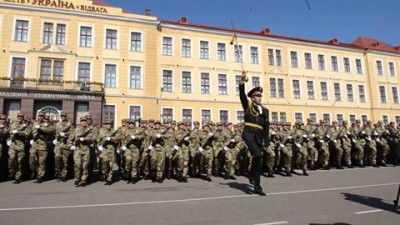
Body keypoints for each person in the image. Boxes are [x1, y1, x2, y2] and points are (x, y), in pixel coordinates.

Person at [239, 71, 269, 196]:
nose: (259, 97)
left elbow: (266, 126)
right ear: (252, 97)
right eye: (257, 96)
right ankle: (257, 186)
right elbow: (241, 95)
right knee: (257, 155)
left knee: (258, 159)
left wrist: (266, 140)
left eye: (260, 96)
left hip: (259, 136)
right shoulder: (248, 106)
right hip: (249, 134)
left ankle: (252, 175)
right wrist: (242, 81)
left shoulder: (266, 110)